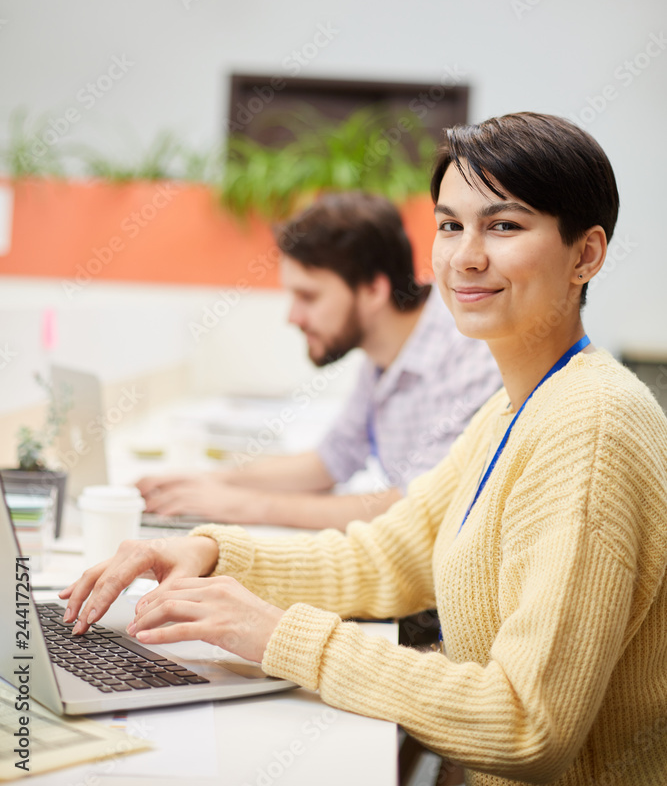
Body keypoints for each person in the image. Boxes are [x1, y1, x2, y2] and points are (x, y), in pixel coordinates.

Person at [62, 113, 667, 785]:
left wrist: (281, 636)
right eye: (449, 225)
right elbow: (387, 556)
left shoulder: (589, 427)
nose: (465, 256)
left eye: (503, 226)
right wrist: (212, 552)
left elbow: (526, 725)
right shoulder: (517, 405)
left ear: (585, 255)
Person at [137, 192, 500, 530]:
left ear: (373, 290)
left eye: (308, 297)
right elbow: (332, 459)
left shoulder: (469, 352)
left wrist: (242, 506)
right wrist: (213, 481)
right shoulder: (383, 352)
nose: (292, 317)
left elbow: (418, 508)